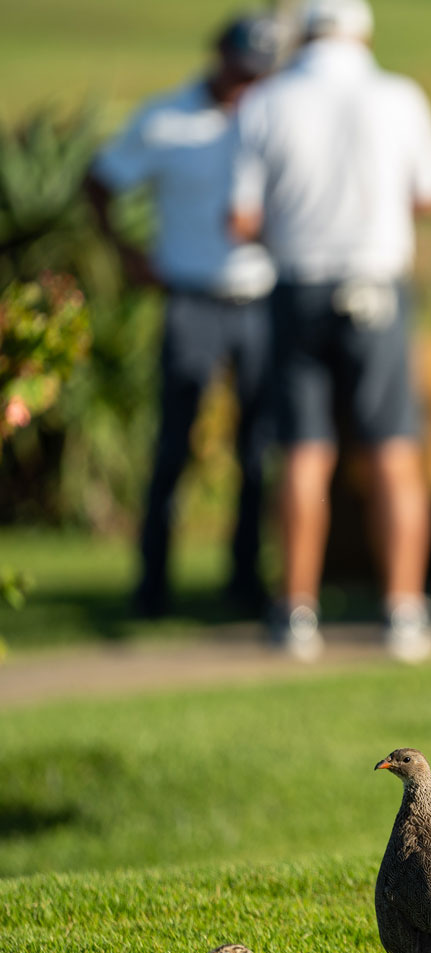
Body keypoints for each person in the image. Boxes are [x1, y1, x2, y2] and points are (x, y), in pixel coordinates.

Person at [230, 0, 431, 661]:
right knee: (393, 450)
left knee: (303, 452)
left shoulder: (266, 101)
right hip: (377, 284)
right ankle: (404, 613)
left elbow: (241, 217)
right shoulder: (398, 96)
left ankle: (296, 614)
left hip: (298, 285)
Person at [87, 15, 285, 618]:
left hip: (263, 298)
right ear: (218, 57)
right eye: (239, 71)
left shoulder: (277, 116)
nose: (246, 85)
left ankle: (246, 582)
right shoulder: (165, 118)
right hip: (192, 298)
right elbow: (100, 182)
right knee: (174, 446)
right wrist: (128, 255)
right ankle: (153, 586)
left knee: (260, 449)